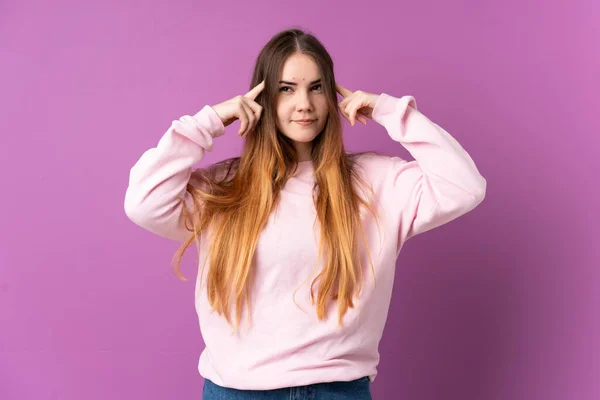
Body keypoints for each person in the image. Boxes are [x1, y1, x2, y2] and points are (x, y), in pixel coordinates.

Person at [124, 27, 486, 400]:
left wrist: (389, 111)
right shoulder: (224, 187)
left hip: (337, 391)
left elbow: (465, 186)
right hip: (237, 391)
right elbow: (143, 201)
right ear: (261, 96)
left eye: (316, 88)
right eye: (286, 88)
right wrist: (210, 121)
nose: (304, 104)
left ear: (331, 95)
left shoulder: (377, 181)